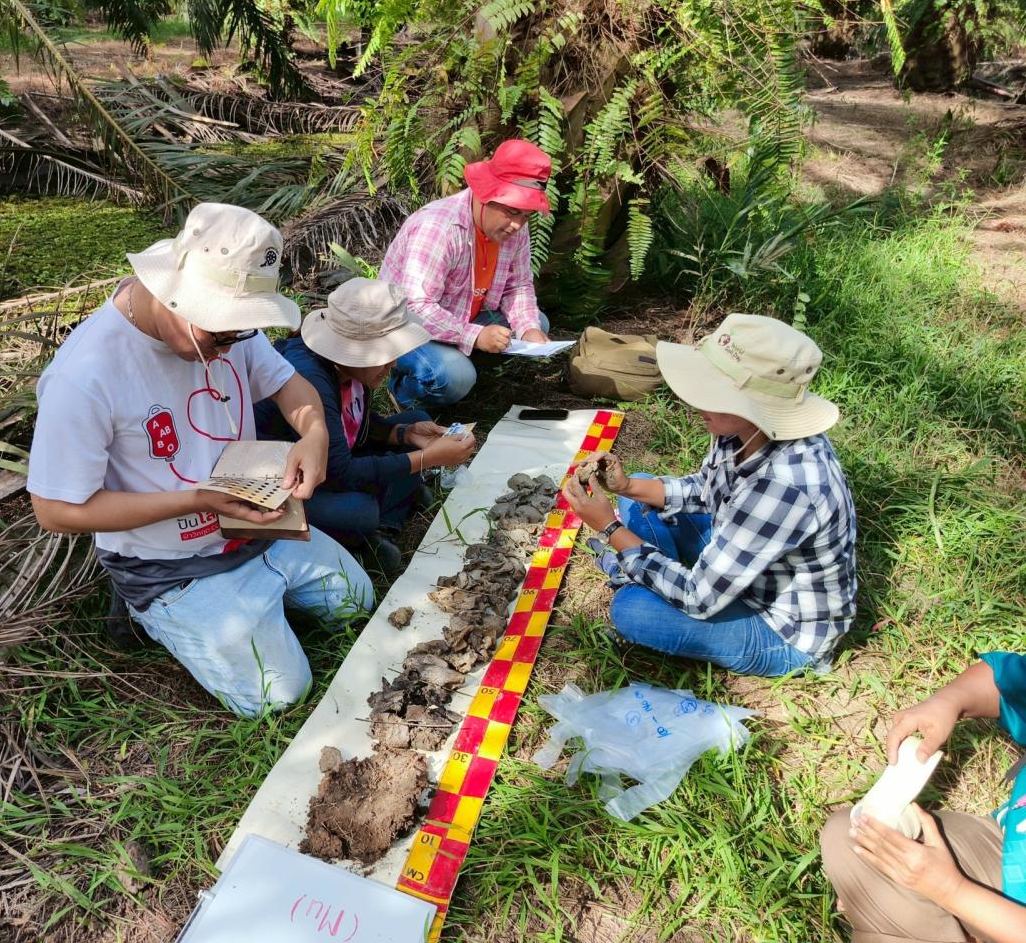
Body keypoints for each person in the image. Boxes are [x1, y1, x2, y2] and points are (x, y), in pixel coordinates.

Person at [26, 203, 373, 718]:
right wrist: (196, 501)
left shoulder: (231, 333)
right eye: (219, 335)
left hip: (253, 523)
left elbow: (286, 385)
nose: (228, 348)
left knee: (356, 600)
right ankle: (155, 612)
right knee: (278, 694)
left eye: (240, 333)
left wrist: (315, 431)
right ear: (173, 293)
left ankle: (256, 605)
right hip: (169, 562)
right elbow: (55, 511)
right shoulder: (87, 374)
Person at [563, 313, 857, 677]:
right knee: (641, 487)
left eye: (710, 392)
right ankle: (645, 565)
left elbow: (697, 599)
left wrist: (608, 527)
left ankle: (641, 572)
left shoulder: (785, 484)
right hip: (745, 559)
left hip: (782, 630)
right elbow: (706, 490)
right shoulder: (746, 429)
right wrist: (626, 487)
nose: (694, 401)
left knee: (631, 609)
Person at [254, 278, 476, 573]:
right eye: (386, 356)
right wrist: (425, 459)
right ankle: (372, 529)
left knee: (416, 421)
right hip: (293, 482)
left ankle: (388, 514)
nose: (393, 364)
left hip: (335, 461)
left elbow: (353, 424)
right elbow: (338, 472)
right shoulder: (311, 379)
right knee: (360, 511)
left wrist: (404, 434)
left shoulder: (354, 369)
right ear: (351, 351)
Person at [821, 654, 1026, 943]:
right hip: (1002, 843)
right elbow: (1004, 682)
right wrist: (948, 702)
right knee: (848, 834)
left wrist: (950, 890)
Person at [379, 138, 554, 408]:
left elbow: (517, 286)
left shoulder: (513, 227)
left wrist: (528, 328)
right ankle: (404, 391)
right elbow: (415, 307)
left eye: (527, 216)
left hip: (461, 317)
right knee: (453, 376)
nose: (518, 225)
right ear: (486, 194)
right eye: (512, 211)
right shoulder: (438, 228)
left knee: (537, 324)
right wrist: (474, 336)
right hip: (403, 328)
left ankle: (460, 369)